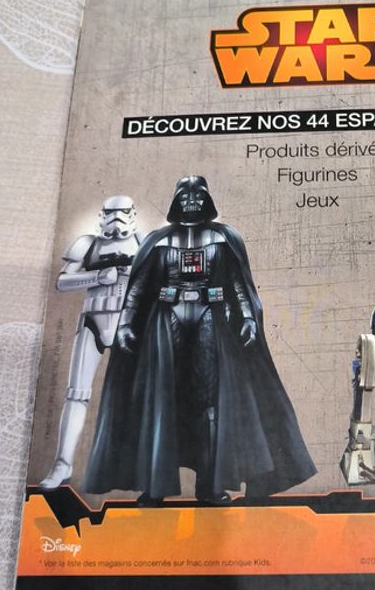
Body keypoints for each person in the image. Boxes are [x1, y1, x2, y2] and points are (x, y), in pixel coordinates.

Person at [83, 176, 316, 503]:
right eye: (185, 196)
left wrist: (248, 318)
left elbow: (237, 285)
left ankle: (210, 486)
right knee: (163, 400)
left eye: (197, 196)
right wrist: (125, 323)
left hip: (211, 320)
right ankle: (155, 488)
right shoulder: (159, 241)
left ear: (207, 200)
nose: (191, 202)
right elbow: (138, 289)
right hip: (166, 322)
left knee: (211, 403)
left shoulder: (223, 238)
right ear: (175, 200)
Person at [39, 196, 140, 489]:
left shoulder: (143, 241)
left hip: (129, 325)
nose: (116, 219)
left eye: (122, 212)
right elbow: (62, 281)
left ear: (132, 214)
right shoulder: (88, 243)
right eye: (111, 213)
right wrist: (97, 277)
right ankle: (63, 464)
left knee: (136, 395)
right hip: (92, 322)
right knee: (76, 394)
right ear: (102, 215)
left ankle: (135, 469)